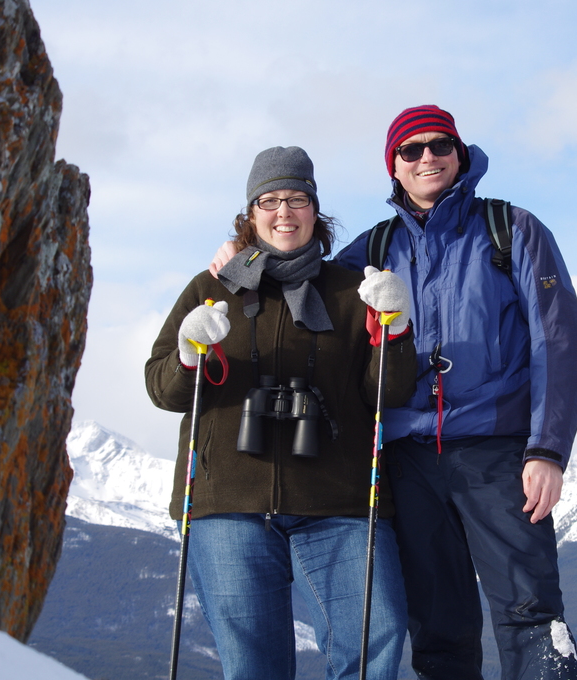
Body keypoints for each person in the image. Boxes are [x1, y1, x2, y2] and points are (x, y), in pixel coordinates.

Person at [210, 107, 577, 680]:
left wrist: (547, 450)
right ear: (393, 166)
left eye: (439, 145)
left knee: (531, 614)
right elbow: (298, 285)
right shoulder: (372, 246)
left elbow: (561, 343)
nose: (426, 158)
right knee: (438, 628)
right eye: (409, 151)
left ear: (460, 155)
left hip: (498, 453)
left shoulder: (510, 229)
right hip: (406, 460)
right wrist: (243, 263)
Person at [147, 145, 416, 680]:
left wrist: (397, 327)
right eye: (269, 200)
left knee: (373, 649)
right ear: (250, 215)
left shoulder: (351, 290)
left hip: (339, 498)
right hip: (228, 502)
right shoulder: (211, 289)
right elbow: (163, 390)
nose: (284, 212)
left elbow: (388, 393)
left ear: (316, 210)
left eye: (296, 198)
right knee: (253, 669)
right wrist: (187, 354)